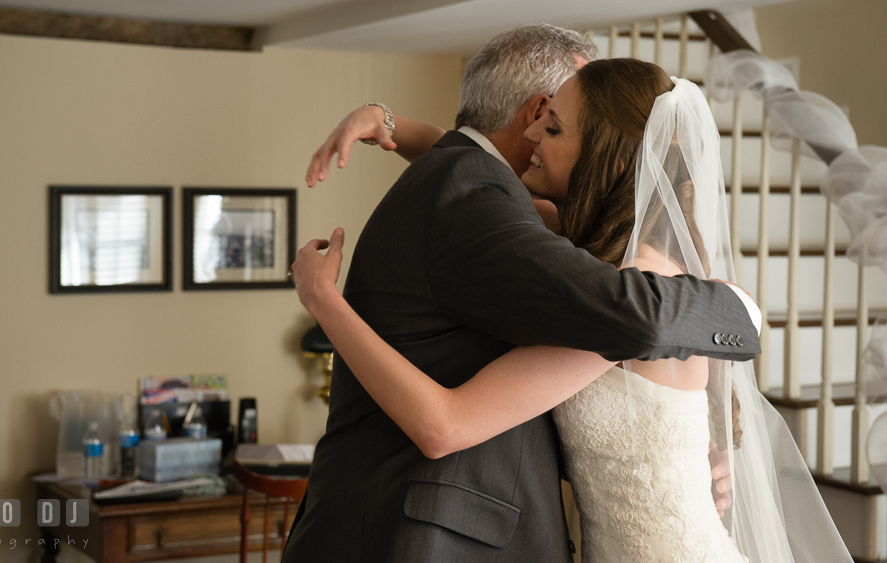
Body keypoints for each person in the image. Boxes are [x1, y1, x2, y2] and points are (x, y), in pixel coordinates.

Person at [292, 58, 852, 563]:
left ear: (603, 158)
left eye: (555, 127)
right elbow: (476, 174)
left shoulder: (617, 302)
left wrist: (325, 302)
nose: (533, 133)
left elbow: (444, 423)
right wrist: (391, 125)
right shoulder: (588, 253)